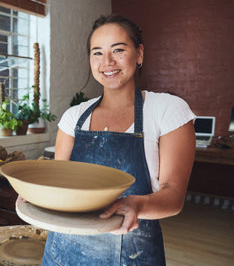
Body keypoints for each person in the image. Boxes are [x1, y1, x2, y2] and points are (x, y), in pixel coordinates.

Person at [41, 15, 196, 265]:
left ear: (140, 53)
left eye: (119, 50)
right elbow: (62, 186)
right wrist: (36, 195)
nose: (107, 62)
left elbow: (174, 195)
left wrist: (136, 205)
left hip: (133, 254)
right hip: (63, 251)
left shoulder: (167, 110)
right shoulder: (74, 117)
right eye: (97, 53)